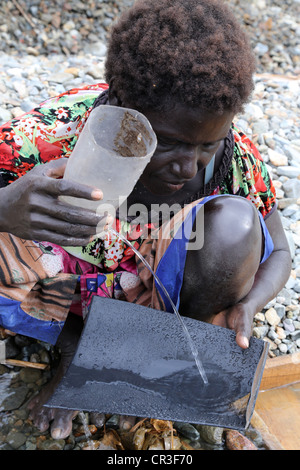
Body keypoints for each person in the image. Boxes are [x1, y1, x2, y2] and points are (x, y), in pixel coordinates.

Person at [0, 0, 291, 439]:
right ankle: (74, 346)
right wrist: (7, 207)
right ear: (120, 102)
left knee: (235, 228)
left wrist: (249, 305)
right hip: (63, 294)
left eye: (206, 145)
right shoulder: (51, 136)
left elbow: (280, 251)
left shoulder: (232, 156)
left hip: (155, 299)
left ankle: (147, 358)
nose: (188, 167)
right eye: (170, 143)